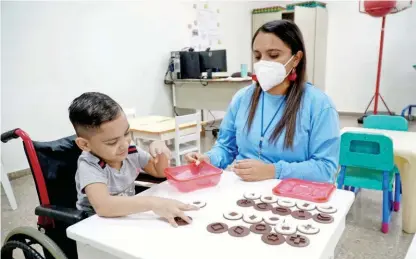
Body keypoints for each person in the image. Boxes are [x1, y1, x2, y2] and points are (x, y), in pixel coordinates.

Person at [186, 20, 340, 183]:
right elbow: (226, 148)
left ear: (296, 59)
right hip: (243, 191)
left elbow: (325, 168)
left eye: (273, 55)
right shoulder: (242, 98)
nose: (263, 63)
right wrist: (209, 159)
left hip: (293, 195)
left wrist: (273, 171)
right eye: (258, 56)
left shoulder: (319, 105)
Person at [69, 92, 196, 227]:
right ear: (85, 144)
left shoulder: (130, 151)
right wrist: (153, 203)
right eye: (112, 142)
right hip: (94, 224)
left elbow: (159, 172)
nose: (124, 144)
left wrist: (161, 153)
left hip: (125, 217)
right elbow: (104, 206)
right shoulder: (89, 165)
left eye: (126, 133)